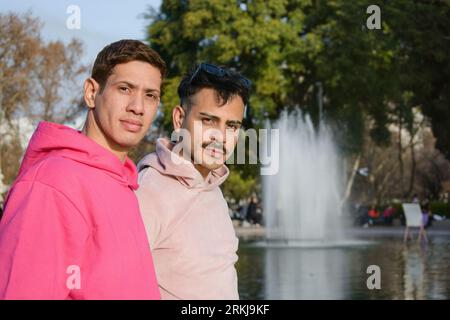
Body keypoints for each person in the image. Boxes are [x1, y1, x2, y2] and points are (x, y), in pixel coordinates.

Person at [0, 40, 166, 299]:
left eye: (150, 95)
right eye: (125, 88)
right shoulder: (51, 184)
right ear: (91, 92)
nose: (138, 107)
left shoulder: (123, 183)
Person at [136, 62, 250, 299]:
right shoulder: (150, 191)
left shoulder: (213, 187)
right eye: (208, 120)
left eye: (232, 126)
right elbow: (116, 284)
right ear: (179, 119)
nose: (220, 137)